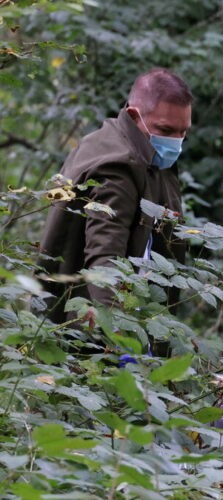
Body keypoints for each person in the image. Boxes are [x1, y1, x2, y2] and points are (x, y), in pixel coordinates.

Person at [39, 68, 192, 325]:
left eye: (183, 132)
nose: (176, 141)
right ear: (134, 115)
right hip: (88, 331)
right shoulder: (119, 167)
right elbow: (105, 257)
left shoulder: (130, 146)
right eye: (166, 129)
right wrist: (116, 336)